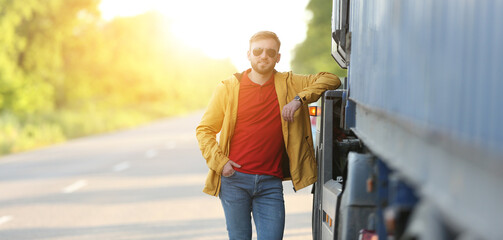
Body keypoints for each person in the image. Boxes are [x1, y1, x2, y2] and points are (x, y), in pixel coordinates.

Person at [196, 31, 341, 240]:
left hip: (270, 184)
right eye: (258, 51)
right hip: (234, 181)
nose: (264, 56)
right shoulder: (228, 88)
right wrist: (220, 163)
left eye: (270, 52)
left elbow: (331, 79)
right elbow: (205, 129)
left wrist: (299, 99)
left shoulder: (289, 83)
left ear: (277, 57)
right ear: (248, 54)